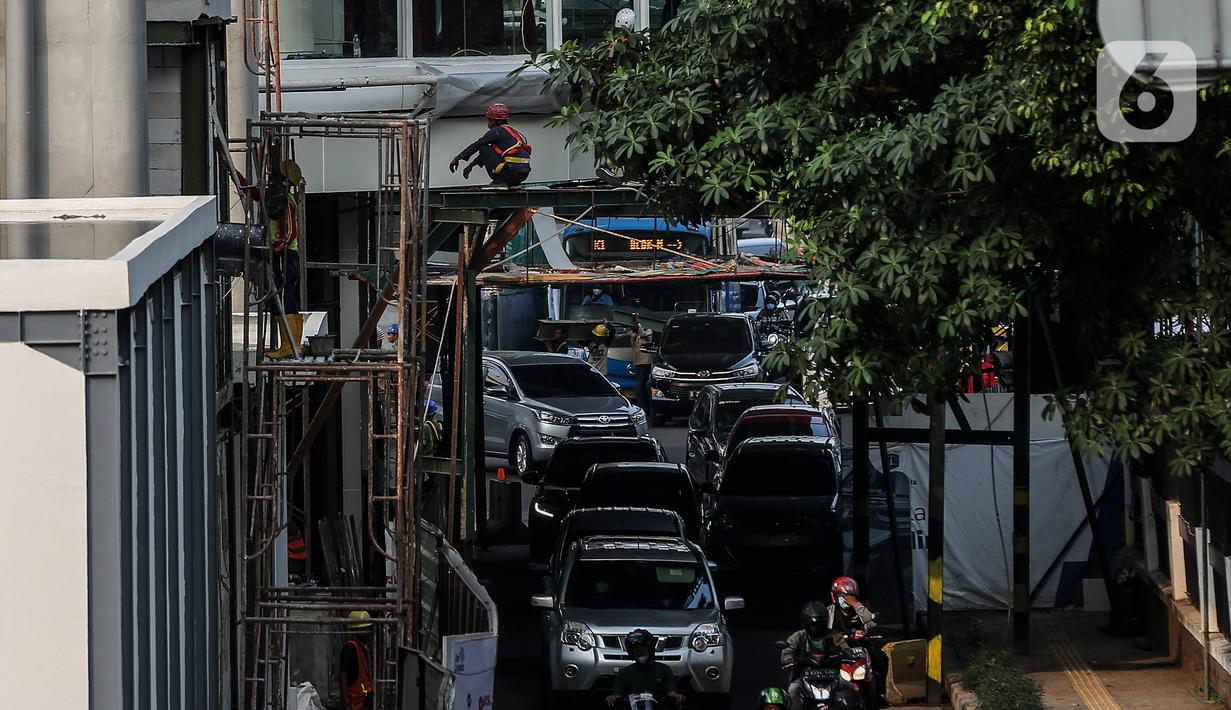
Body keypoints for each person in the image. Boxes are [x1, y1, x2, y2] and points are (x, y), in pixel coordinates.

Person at [829, 576, 888, 705]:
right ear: (835, 596)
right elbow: (826, 633)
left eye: (851, 596)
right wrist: (847, 635)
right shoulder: (830, 612)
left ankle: (878, 694)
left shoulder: (859, 609)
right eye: (843, 596)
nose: (847, 599)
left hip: (862, 647)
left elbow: (872, 623)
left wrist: (856, 604)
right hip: (839, 648)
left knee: (882, 658)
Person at [448, 103, 532, 188]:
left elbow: (477, 145)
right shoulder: (513, 133)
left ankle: (500, 181)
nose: (489, 122)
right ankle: (509, 182)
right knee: (488, 149)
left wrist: (457, 158)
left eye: (490, 120)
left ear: (495, 121)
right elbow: (489, 154)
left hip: (510, 174)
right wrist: (471, 165)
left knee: (483, 147)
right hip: (521, 176)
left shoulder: (496, 131)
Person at [782, 601, 842, 710]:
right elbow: (787, 650)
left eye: (820, 624)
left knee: (851, 689)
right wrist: (789, 658)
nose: (817, 628)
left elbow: (845, 648)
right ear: (806, 623)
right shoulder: (798, 636)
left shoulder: (834, 635)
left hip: (832, 674)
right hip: (804, 674)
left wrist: (844, 653)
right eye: (814, 624)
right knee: (793, 691)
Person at [606, 629, 685, 707]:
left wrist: (678, 697)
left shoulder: (664, 670)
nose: (639, 651)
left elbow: (671, 693)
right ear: (631, 652)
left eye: (642, 647)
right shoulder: (624, 673)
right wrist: (611, 698)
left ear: (650, 649)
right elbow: (617, 696)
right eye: (636, 649)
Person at [340, 611, 375, 709]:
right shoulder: (350, 648)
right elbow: (343, 673)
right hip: (355, 700)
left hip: (363, 698)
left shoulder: (362, 647)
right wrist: (345, 700)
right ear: (356, 630)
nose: (368, 633)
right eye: (365, 629)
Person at [630, 314, 653, 410]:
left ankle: (642, 407)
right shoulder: (634, 334)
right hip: (637, 362)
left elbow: (642, 333)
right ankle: (643, 406)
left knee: (640, 385)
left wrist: (638, 321)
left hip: (645, 362)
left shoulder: (648, 332)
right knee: (640, 385)